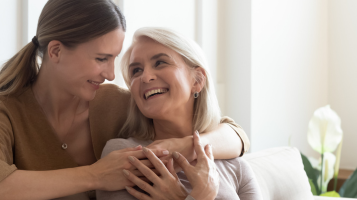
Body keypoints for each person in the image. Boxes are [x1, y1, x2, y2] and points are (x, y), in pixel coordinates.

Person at [0, 1, 250, 200]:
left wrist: (179, 146)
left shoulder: (114, 103)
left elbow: (235, 135)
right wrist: (95, 176)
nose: (111, 74)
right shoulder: (3, 110)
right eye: (101, 59)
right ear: (56, 52)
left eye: (115, 60)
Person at [96, 27, 262, 200]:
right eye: (136, 70)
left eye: (160, 63)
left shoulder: (234, 163)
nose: (145, 77)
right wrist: (200, 196)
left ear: (197, 80)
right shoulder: (125, 156)